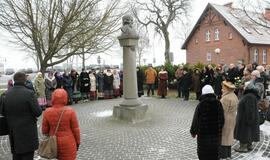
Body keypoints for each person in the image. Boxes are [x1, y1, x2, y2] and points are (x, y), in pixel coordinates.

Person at [3, 72, 42, 160]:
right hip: (27, 133)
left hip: (13, 132)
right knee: (27, 156)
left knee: (16, 156)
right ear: (25, 81)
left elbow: (2, 112)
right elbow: (38, 112)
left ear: (14, 80)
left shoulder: (5, 95)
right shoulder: (29, 94)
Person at [42, 89, 80, 160]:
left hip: (54, 143)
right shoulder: (70, 111)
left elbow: (44, 131)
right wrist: (78, 142)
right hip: (69, 143)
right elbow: (76, 130)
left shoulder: (47, 112)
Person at [190, 85, 224, 160]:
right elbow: (222, 120)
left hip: (203, 138)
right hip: (215, 137)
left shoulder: (201, 105)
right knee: (215, 155)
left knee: (203, 155)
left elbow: (195, 120)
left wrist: (193, 132)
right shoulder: (218, 104)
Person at [234, 81, 260, 153]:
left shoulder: (249, 96)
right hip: (247, 119)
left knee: (245, 132)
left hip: (245, 119)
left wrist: (249, 120)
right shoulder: (251, 95)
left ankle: (243, 147)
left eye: (245, 86)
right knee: (249, 132)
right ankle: (249, 145)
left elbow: (250, 110)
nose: (244, 87)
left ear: (248, 87)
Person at [220, 81, 238, 159]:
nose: (222, 89)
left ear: (227, 89)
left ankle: (224, 156)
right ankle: (228, 155)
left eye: (223, 88)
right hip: (232, 118)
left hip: (226, 119)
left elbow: (223, 110)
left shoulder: (226, 98)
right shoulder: (234, 95)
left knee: (224, 138)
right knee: (229, 136)